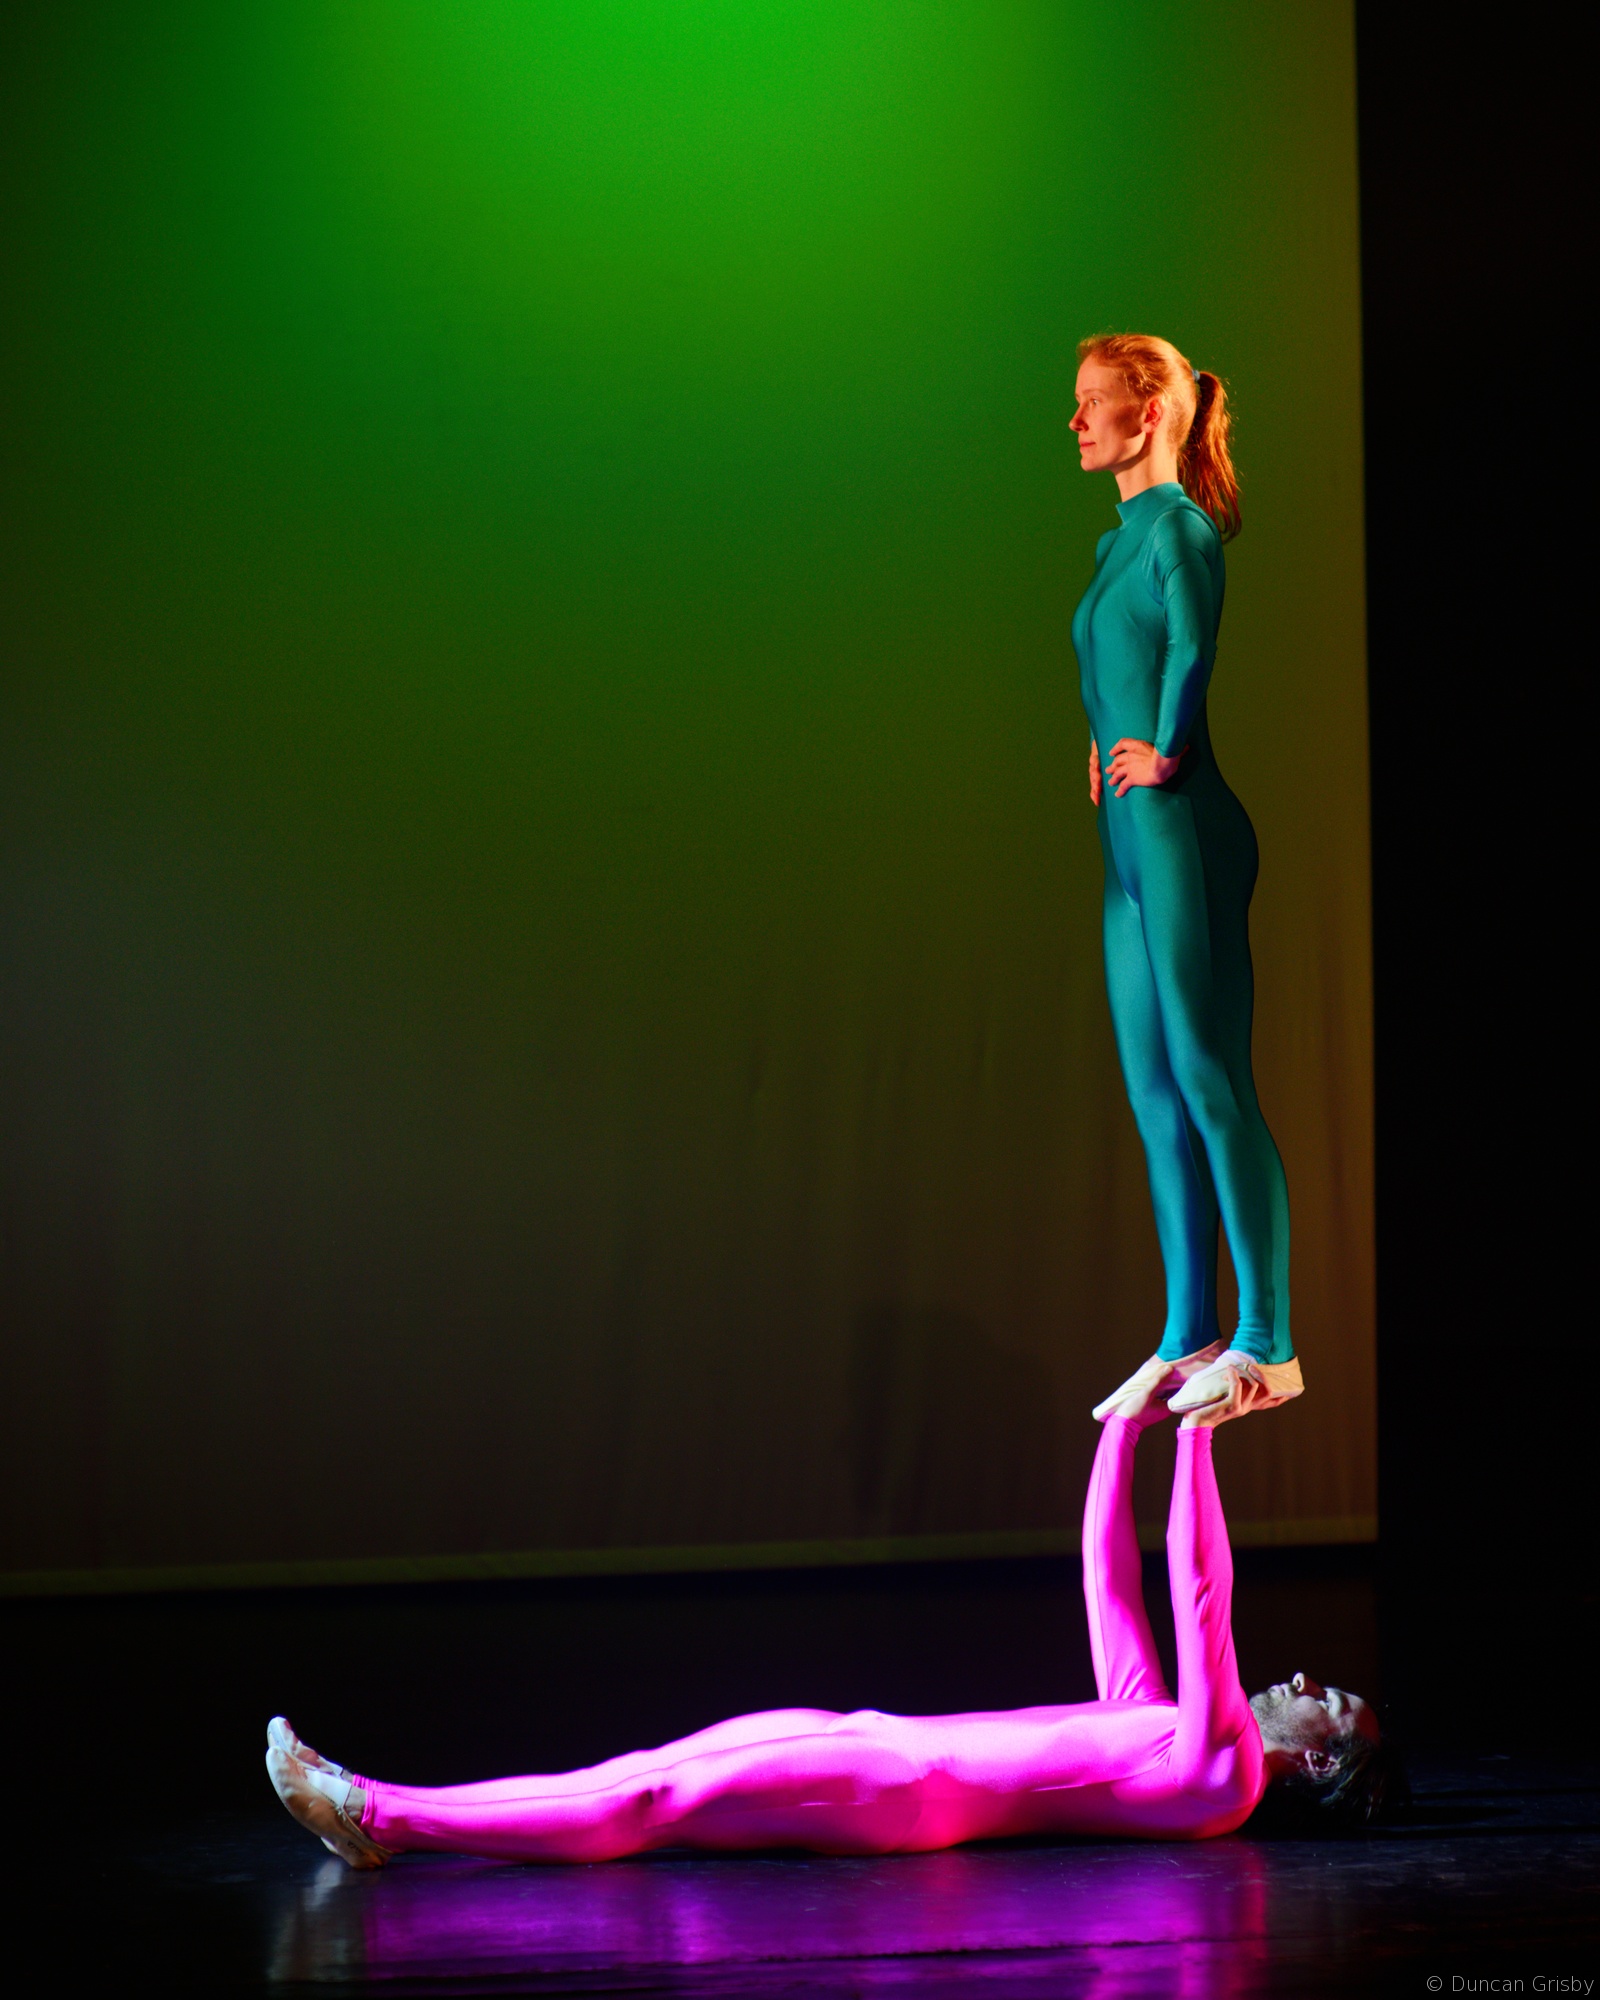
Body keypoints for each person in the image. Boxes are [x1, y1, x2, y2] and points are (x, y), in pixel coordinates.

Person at [266, 1366, 1396, 1869]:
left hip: (885, 1788)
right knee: (641, 1778)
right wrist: (1126, 1428)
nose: (1306, 1681)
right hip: (866, 1747)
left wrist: (1200, 1438)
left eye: (1330, 1704)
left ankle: (378, 1811)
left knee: (649, 1800)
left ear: (1317, 1764)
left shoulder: (1221, 1777)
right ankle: (380, 1814)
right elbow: (1111, 1587)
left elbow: (1200, 1593)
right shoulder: (1168, 1738)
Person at [1070, 333, 1301, 1427]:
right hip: (1126, 846)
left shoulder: (1180, 528)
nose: (1076, 422)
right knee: (1154, 1094)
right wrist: (1100, 738)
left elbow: (1190, 648)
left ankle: (1269, 1343)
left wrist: (1162, 747)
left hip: (1182, 831)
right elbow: (1118, 655)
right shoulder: (1114, 541)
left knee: (1210, 1079)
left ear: (1150, 411)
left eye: (1093, 402)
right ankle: (1186, 1336)